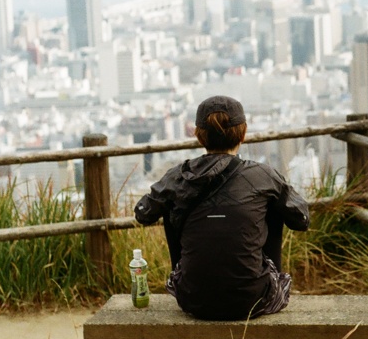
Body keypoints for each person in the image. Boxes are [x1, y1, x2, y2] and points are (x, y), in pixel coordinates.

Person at [133, 95, 310, 320]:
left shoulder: (178, 177)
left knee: (170, 206)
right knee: (273, 206)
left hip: (192, 298)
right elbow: (301, 219)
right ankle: (263, 277)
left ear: (198, 135)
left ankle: (189, 274)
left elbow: (143, 214)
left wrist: (172, 197)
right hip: (254, 299)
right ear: (243, 133)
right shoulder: (263, 176)